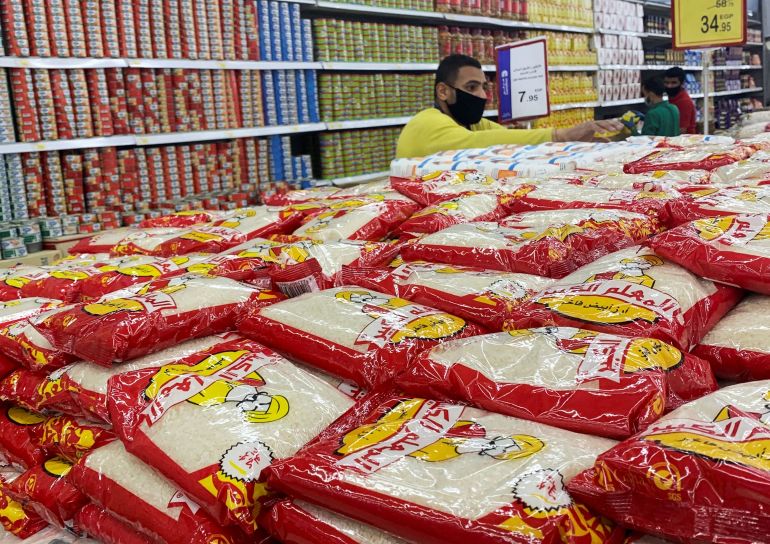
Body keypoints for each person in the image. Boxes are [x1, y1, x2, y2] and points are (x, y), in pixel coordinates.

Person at [396, 54, 623, 158]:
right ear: (443, 91)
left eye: (484, 87)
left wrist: (568, 145)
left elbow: (509, 139)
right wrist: (561, 135)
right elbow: (478, 144)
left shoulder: (469, 123)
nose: (482, 95)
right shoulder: (427, 123)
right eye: (472, 87)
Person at [664, 66, 697, 134]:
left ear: (682, 83)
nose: (669, 86)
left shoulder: (684, 102)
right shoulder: (673, 97)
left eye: (674, 83)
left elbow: (682, 130)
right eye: (666, 82)